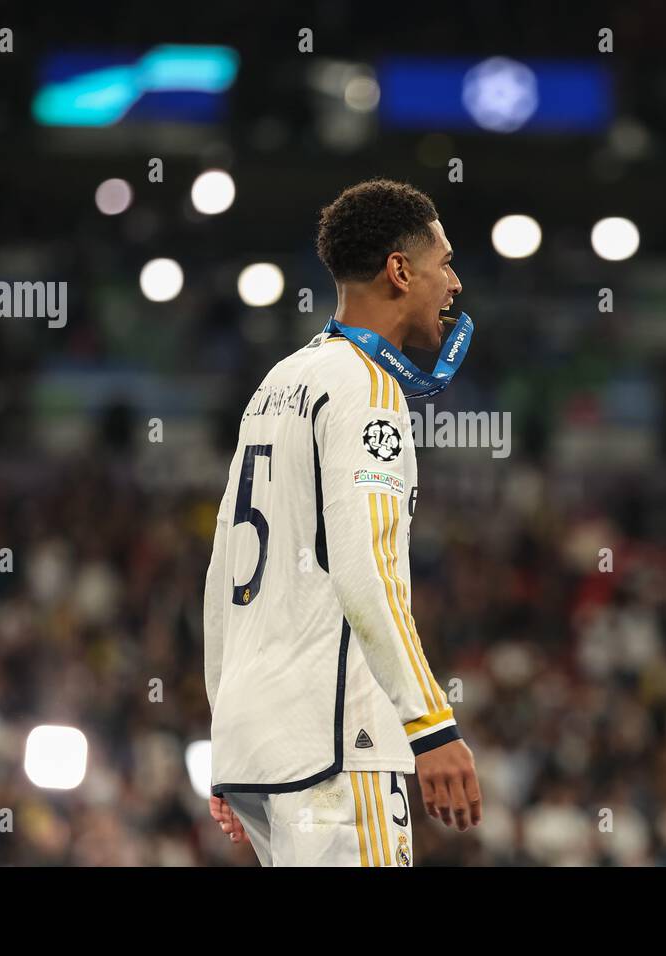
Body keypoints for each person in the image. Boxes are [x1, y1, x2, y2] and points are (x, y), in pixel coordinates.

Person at [203, 178, 481, 866]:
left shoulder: (281, 379)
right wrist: (431, 725)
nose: (454, 283)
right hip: (337, 743)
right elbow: (366, 571)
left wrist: (230, 738)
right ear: (400, 270)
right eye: (443, 262)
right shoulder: (366, 386)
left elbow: (222, 582)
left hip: (262, 742)